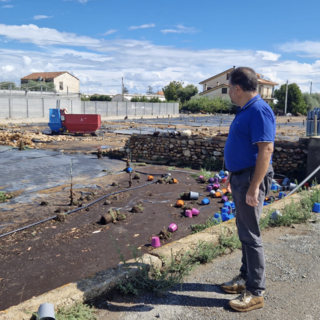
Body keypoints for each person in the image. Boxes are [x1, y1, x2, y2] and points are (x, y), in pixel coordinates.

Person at [221, 67, 276, 312]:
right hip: (241, 177)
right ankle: (245, 278)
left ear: (238, 88)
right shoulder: (246, 110)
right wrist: (232, 172)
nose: (229, 93)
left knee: (251, 235)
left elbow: (266, 150)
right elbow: (245, 147)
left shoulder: (259, 110)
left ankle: (256, 292)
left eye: (229, 88)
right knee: (243, 230)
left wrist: (254, 187)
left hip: (251, 180)